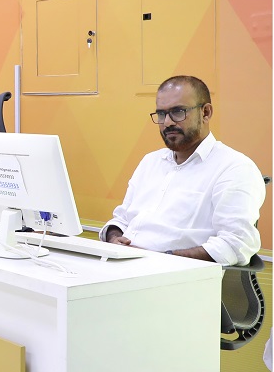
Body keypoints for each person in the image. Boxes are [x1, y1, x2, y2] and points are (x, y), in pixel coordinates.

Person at [101, 76, 263, 265]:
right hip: (120, 264)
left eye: (178, 112)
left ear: (206, 112)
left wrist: (159, 258)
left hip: (173, 274)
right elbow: (121, 219)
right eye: (161, 114)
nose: (167, 122)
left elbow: (236, 243)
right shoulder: (150, 162)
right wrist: (114, 238)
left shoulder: (234, 168)